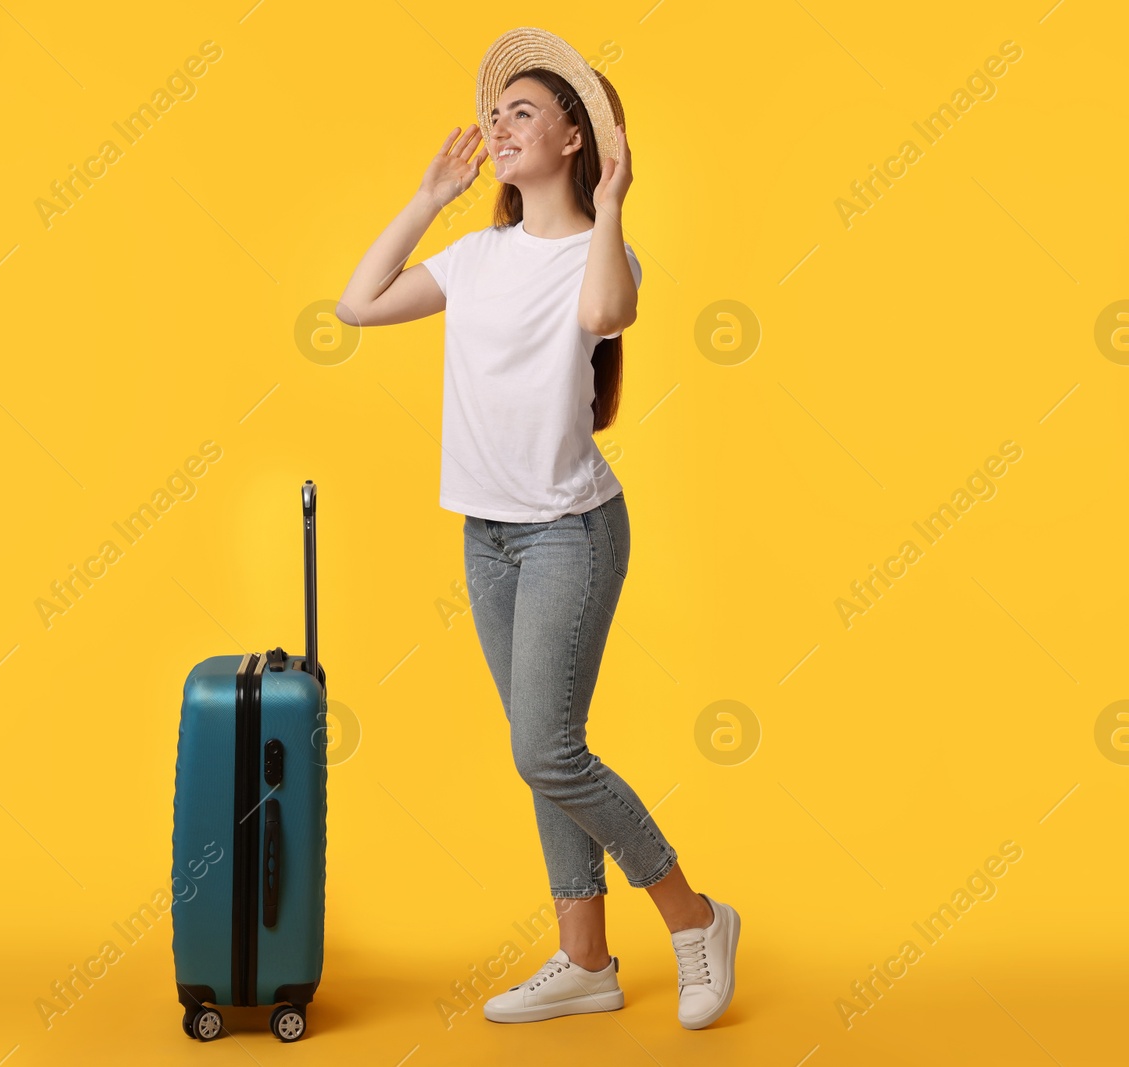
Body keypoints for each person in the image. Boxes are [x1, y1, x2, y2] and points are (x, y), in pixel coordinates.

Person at [335, 27, 739, 1031]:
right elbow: (356, 302)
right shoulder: (474, 256)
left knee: (545, 747)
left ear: (572, 138)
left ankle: (694, 916)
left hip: (569, 530)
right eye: (495, 112)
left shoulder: (601, 254)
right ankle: (585, 959)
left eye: (522, 111)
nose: (497, 127)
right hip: (487, 536)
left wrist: (610, 207)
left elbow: (609, 309)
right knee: (541, 743)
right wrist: (428, 198)